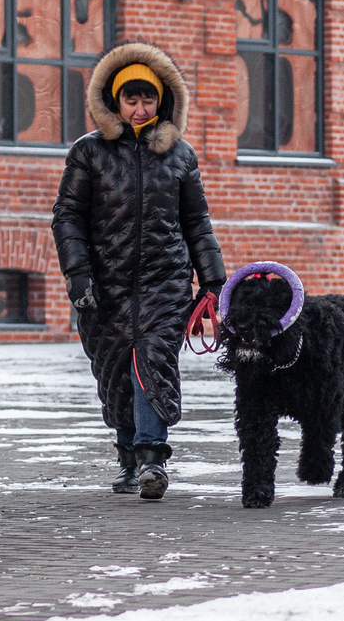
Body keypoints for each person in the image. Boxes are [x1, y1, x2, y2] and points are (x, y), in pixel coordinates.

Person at [52, 43, 227, 499]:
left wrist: (212, 281)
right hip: (104, 284)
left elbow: (196, 223)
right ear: (114, 102)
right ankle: (128, 457)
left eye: (148, 99)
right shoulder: (88, 153)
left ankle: (153, 458)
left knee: (151, 364)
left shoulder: (181, 155)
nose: (139, 108)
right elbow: (68, 217)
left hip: (164, 282)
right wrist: (79, 276)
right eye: (131, 100)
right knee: (115, 371)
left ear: (162, 102)